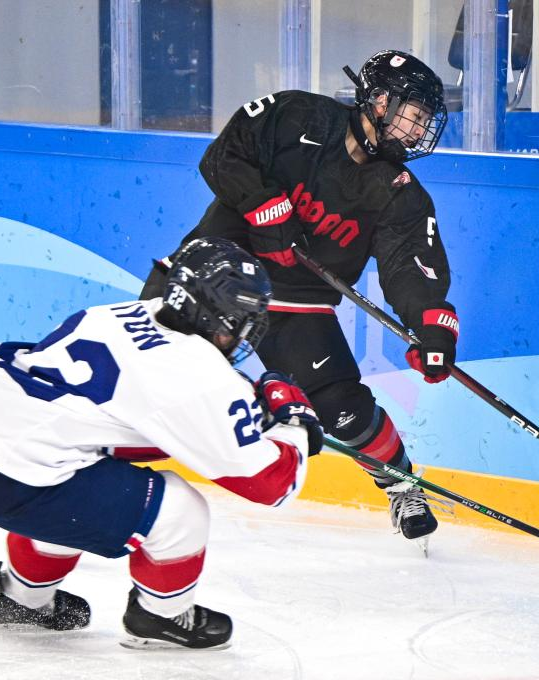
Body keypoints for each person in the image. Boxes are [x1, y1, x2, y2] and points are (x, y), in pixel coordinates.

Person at [0, 237, 322, 650]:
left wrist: (239, 408)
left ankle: (21, 602)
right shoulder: (196, 374)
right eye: (240, 315)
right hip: (20, 480)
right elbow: (270, 484)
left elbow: (138, 417)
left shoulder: (126, 313)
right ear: (213, 314)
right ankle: (160, 616)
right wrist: (295, 422)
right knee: (178, 511)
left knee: (78, 483)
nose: (244, 329)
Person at [140, 49, 458, 545]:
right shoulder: (297, 116)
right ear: (380, 101)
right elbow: (224, 155)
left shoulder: (399, 191)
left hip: (298, 301)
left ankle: (401, 484)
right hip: (211, 280)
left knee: (342, 409)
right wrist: (262, 205)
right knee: (145, 364)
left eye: (424, 123)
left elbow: (409, 265)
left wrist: (432, 324)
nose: (419, 133)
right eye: (414, 117)